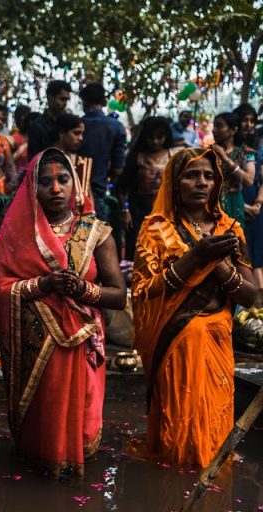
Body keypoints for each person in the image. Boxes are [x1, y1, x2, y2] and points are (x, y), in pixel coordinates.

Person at [0, 148, 126, 479]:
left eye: (63, 180)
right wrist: (45, 284)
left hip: (82, 339)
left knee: (82, 411)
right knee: (43, 414)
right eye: (45, 182)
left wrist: (83, 291)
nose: (55, 189)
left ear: (76, 185)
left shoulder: (96, 232)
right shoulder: (16, 235)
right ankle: (40, 461)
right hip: (36, 343)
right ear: (31, 188)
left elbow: (119, 295)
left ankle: (73, 460)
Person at [132, 147, 257, 466]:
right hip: (175, 343)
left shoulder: (230, 228)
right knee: (179, 428)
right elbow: (144, 291)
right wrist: (193, 259)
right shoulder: (155, 229)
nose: (201, 182)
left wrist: (221, 267)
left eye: (208, 176)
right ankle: (174, 485)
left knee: (213, 422)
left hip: (216, 339)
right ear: (174, 182)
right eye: (191, 175)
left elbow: (250, 296)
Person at [117, 116, 175, 260]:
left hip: (166, 212)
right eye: (151, 137)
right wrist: (125, 210)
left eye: (159, 137)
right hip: (139, 212)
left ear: (166, 137)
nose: (155, 141)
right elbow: (120, 187)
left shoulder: (173, 156)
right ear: (145, 137)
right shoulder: (136, 157)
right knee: (139, 251)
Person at [79, 83, 127, 220]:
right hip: (98, 191)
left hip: (72, 191)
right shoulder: (116, 127)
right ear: (104, 101)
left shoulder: (76, 126)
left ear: (84, 102)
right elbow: (118, 169)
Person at [234, 104, 263, 287]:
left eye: (252, 120)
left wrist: (258, 203)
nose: (249, 124)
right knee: (242, 253)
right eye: (245, 120)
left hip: (256, 202)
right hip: (234, 203)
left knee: (258, 253)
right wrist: (241, 206)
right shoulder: (228, 149)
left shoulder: (257, 149)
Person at [210, 112, 256, 226]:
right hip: (211, 202)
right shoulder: (209, 152)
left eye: (219, 126)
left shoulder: (246, 152)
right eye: (214, 126)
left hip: (234, 201)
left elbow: (249, 181)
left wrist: (225, 158)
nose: (214, 130)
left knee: (235, 239)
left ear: (233, 130)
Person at [27, 80, 72, 158]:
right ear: (50, 98)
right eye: (62, 99)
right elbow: (33, 158)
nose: (65, 104)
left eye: (67, 100)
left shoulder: (67, 123)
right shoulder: (37, 126)